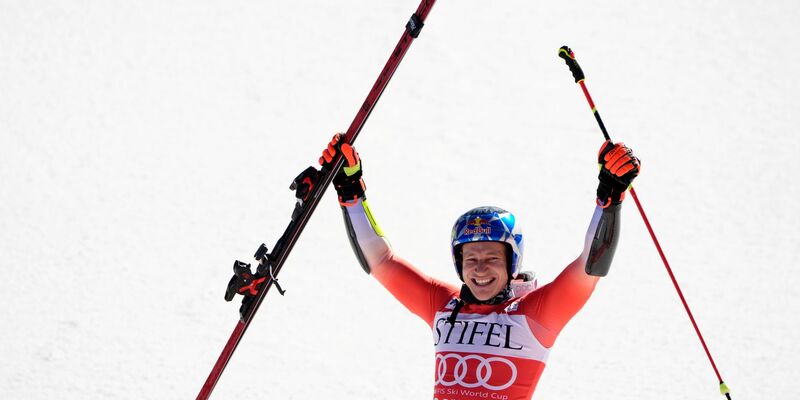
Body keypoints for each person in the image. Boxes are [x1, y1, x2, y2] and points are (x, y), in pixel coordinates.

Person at [317, 133, 640, 400]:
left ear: (512, 263)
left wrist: (609, 197)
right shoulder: (443, 304)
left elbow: (589, 267)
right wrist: (351, 192)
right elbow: (380, 261)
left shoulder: (536, 315)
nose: (480, 269)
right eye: (471, 259)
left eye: (492, 259)